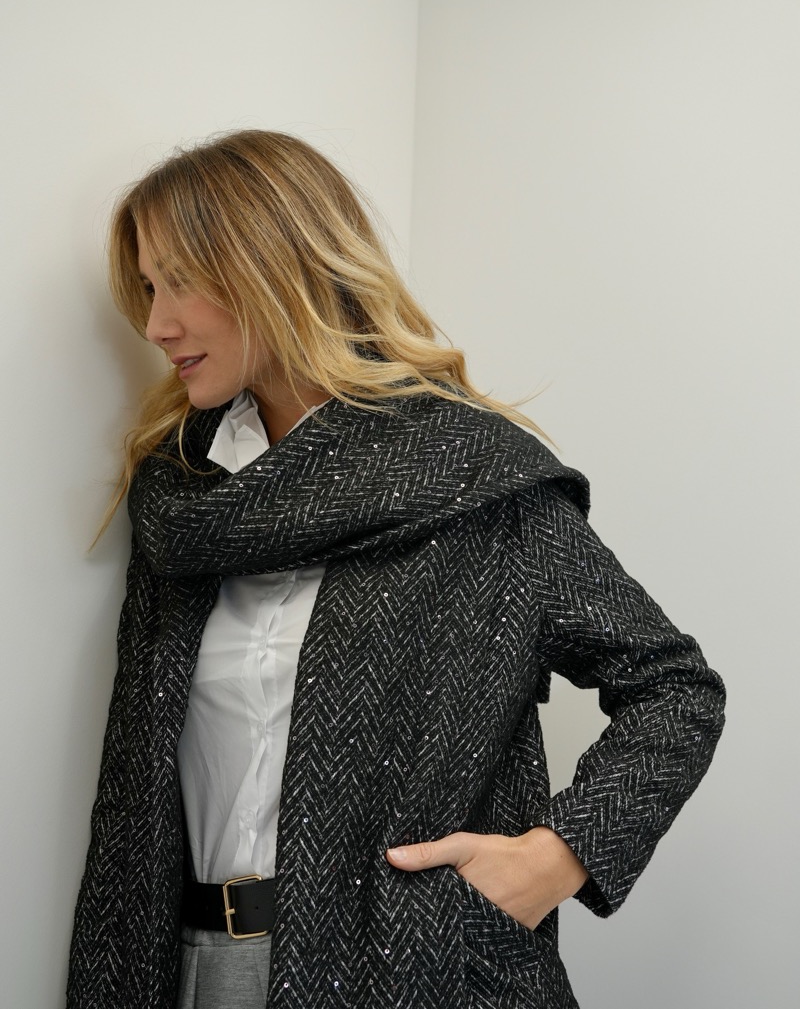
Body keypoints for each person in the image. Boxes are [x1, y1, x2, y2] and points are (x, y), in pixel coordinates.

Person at [68, 130, 725, 1009]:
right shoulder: (184, 497)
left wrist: (557, 855)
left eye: (181, 280)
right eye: (150, 288)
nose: (157, 325)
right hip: (194, 968)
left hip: (417, 972)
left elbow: (676, 687)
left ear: (277, 267)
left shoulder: (473, 480)